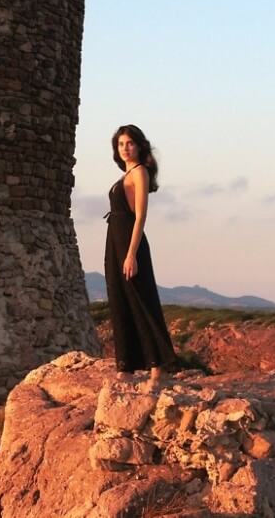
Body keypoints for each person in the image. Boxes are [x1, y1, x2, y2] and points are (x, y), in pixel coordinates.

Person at [104, 124, 178, 378]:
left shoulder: (140, 173)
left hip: (129, 242)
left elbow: (140, 217)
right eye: (121, 144)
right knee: (120, 301)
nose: (125, 148)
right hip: (115, 240)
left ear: (139, 145)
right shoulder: (125, 176)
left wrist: (131, 253)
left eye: (129, 143)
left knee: (142, 301)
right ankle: (126, 366)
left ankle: (159, 368)